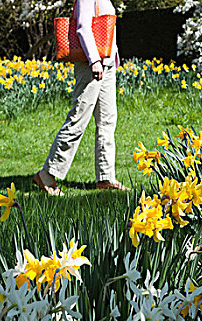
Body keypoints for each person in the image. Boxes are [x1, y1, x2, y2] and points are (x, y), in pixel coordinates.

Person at [33, 0, 130, 195]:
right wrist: (94, 60)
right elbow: (83, 28)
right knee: (78, 118)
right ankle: (47, 174)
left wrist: (112, 58)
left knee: (107, 121)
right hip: (91, 64)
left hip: (107, 64)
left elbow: (106, 29)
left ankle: (106, 177)